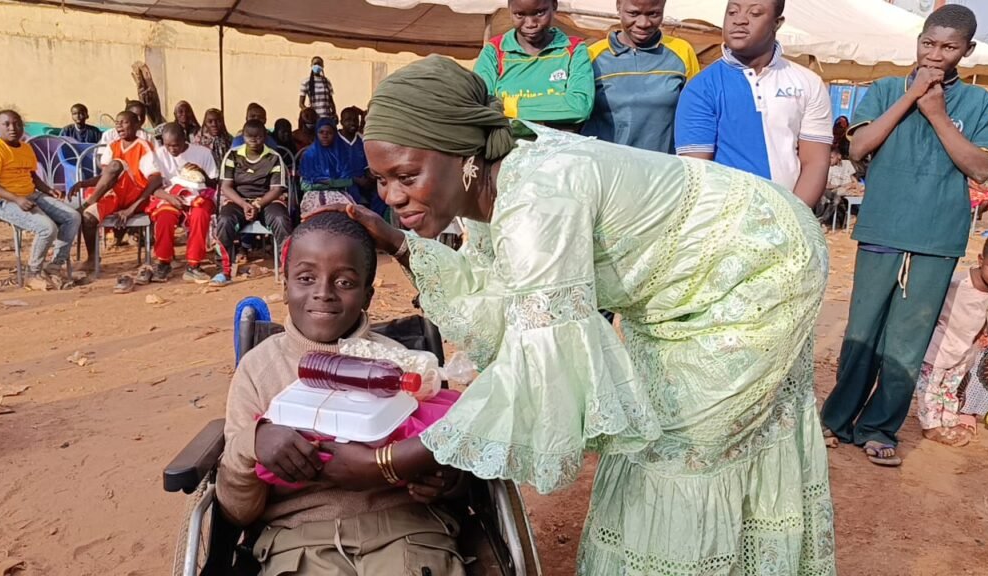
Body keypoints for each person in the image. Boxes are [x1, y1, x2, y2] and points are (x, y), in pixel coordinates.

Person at [314, 56, 836, 575]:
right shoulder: (493, 185)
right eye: (380, 181)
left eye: (406, 175)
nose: (392, 196)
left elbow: (537, 369)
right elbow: (501, 302)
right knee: (660, 441)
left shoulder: (540, 191)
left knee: (683, 450)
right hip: (675, 287)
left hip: (758, 263)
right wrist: (398, 243)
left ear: (462, 153)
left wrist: (387, 463)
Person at [216, 211, 465, 574]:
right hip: (299, 539)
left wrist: (447, 481)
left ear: (367, 294)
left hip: (408, 530)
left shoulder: (405, 366)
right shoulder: (259, 370)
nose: (323, 292)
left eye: (345, 282)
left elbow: (454, 461)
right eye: (305, 278)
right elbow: (238, 511)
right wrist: (252, 443)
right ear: (285, 287)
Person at [821, 5, 988, 467]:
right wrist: (911, 97)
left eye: (949, 47)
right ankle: (836, 420)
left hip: (938, 237)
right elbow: (858, 147)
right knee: (862, 332)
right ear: (918, 41)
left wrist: (937, 112)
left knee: (908, 342)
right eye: (928, 43)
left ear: (967, 51)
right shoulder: (883, 88)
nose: (936, 54)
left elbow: (981, 168)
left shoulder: (975, 103)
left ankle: (880, 427)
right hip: (882, 226)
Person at [674, 0, 833, 207]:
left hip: (790, 218)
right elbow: (697, 172)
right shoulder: (701, 88)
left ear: (777, 23)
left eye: (755, 13)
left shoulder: (808, 83)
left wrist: (793, 219)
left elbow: (816, 162)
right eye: (732, 11)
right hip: (722, 222)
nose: (739, 20)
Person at [915, 236, 988, 447]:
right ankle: (931, 426)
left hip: (964, 351)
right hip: (939, 348)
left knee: (950, 388)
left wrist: (982, 332)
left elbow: (982, 313)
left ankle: (948, 420)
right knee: (930, 388)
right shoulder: (957, 283)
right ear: (981, 260)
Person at [581, 0, 700, 153]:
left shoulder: (682, 52)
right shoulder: (592, 56)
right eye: (633, 13)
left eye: (654, 14)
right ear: (618, 7)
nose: (644, 23)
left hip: (663, 168)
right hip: (606, 166)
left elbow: (695, 116)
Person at [0, 110, 80, 283]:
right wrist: (16, 199)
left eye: (17, 123)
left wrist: (48, 190)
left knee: (73, 217)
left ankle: (54, 266)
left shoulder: (26, 147)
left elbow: (32, 175)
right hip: (0, 201)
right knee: (47, 228)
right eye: (7, 124)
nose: (13, 128)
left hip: (30, 195)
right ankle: (33, 273)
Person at [71, 110, 163, 284]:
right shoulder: (112, 146)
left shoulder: (143, 146)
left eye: (124, 122)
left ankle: (88, 202)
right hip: (114, 194)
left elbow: (155, 179)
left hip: (134, 194)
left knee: (115, 164)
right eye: (117, 122)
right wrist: (84, 183)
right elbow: (107, 177)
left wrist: (132, 208)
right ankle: (92, 258)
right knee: (88, 217)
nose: (119, 125)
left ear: (136, 125)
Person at [473, 0, 594, 130]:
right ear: (509, 9)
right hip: (506, 146)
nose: (530, 24)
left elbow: (579, 107)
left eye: (539, 13)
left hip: (560, 147)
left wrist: (510, 107)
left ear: (554, 6)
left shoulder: (573, 50)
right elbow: (480, 105)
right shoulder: (495, 51)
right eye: (519, 14)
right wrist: (553, 111)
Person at [211, 120, 291, 287]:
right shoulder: (232, 155)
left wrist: (257, 205)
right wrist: (244, 205)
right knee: (225, 221)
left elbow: (276, 189)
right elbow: (226, 186)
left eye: (259, 137)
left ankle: (287, 270)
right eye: (249, 137)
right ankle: (223, 271)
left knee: (281, 220)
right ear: (243, 136)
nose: (254, 141)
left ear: (265, 137)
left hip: (267, 200)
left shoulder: (274, 157)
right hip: (238, 201)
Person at [145, 123, 219, 283]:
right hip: (168, 197)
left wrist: (202, 174)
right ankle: (164, 262)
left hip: (199, 195)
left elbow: (214, 184)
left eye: (176, 145)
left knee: (201, 213)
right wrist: (169, 197)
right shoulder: (157, 154)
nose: (172, 149)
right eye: (168, 145)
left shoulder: (203, 153)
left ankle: (194, 264)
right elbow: (153, 188)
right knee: (164, 215)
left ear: (184, 139)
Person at [299, 118, 355, 218]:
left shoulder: (341, 153)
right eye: (321, 132)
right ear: (316, 134)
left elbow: (348, 181)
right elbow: (304, 185)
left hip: (338, 193)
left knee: (347, 214)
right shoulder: (309, 155)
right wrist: (327, 184)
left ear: (335, 134)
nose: (325, 135)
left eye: (329, 132)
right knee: (316, 214)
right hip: (313, 194)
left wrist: (329, 183)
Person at [339, 106, 379, 211]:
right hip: (343, 182)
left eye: (355, 120)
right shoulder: (334, 139)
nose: (352, 123)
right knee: (352, 190)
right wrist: (355, 180)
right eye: (348, 120)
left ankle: (375, 221)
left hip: (363, 181)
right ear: (341, 122)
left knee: (380, 192)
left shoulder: (362, 140)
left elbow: (367, 165)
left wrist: (370, 176)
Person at [299, 55, 337, 119]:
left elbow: (331, 101)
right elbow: (301, 104)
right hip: (314, 119)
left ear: (322, 66)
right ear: (311, 65)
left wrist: (334, 113)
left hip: (327, 117)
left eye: (319, 64)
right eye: (315, 64)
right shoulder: (306, 82)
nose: (317, 66)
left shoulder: (327, 81)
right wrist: (309, 113)